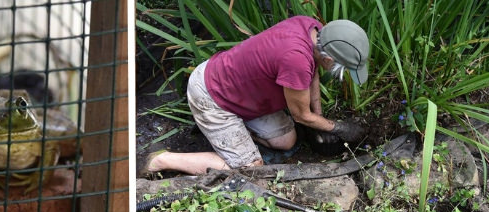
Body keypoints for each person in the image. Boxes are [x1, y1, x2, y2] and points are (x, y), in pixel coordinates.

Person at [144, 16, 369, 175]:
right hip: (212, 96)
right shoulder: (296, 59)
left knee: (286, 142)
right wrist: (338, 127)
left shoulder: (313, 29)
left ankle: (232, 134)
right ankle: (161, 160)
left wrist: (319, 119)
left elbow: (313, 74)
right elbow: (300, 115)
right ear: (329, 58)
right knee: (250, 169)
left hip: (241, 93)